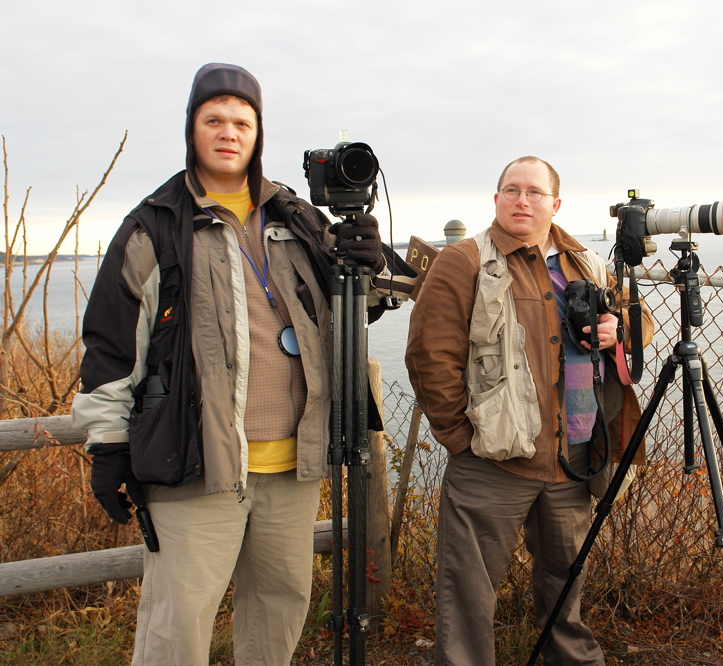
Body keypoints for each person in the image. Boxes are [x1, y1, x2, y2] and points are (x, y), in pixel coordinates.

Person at [71, 63, 387, 666]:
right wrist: (108, 444)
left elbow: (355, 313)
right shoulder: (154, 226)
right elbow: (112, 349)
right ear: (191, 129)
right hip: (196, 463)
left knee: (279, 613)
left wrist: (366, 266)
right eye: (213, 119)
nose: (228, 132)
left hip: (291, 467)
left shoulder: (296, 218)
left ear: (258, 134)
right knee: (177, 630)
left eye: (242, 122)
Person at [405, 156, 654, 665]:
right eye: (512, 190)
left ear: (555, 204)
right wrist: (462, 440)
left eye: (535, 193)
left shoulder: (585, 261)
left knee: (566, 591)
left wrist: (618, 331)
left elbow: (638, 319)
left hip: (573, 459)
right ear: (495, 199)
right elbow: (430, 355)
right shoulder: (466, 261)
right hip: (492, 462)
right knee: (467, 597)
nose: (523, 200)